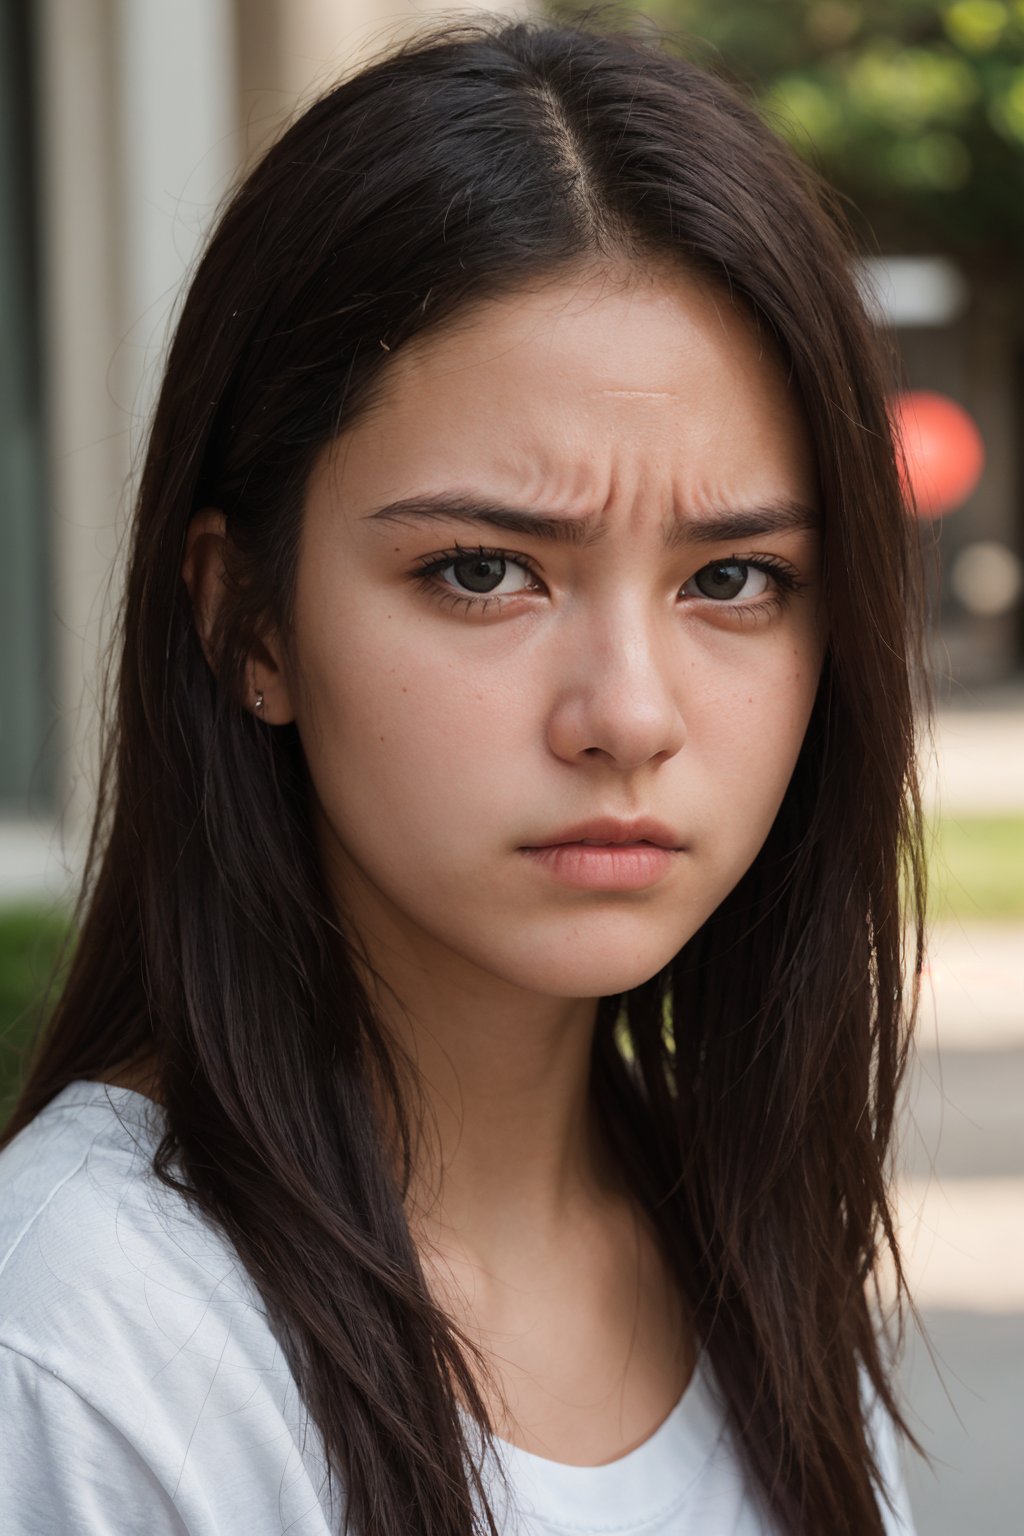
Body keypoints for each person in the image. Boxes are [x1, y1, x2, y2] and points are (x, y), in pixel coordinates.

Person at [0, 13, 927, 1535]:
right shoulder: (91, 1354)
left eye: (737, 579)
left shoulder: (751, 1243)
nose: (628, 715)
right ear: (247, 618)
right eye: (485, 570)